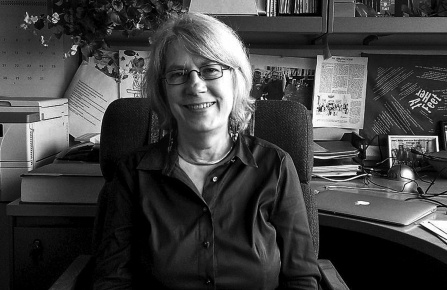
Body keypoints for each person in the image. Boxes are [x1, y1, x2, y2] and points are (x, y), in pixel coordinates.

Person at [93, 12, 320, 289]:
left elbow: (301, 279)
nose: (195, 86)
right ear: (163, 91)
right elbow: (112, 282)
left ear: (235, 81)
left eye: (211, 69)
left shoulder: (276, 167)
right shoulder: (132, 175)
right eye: (178, 74)